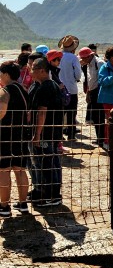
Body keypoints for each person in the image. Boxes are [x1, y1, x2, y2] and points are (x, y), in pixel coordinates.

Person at [28, 58, 64, 207]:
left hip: (45, 134)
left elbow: (41, 113)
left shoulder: (44, 88)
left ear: (42, 70)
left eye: (33, 69)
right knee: (53, 162)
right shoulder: (54, 85)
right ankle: (52, 194)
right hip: (53, 132)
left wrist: (37, 135)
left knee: (44, 164)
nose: (31, 72)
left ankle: (50, 195)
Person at [0, 61, 31, 216]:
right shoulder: (23, 89)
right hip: (22, 135)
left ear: (6, 74)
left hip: (5, 136)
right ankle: (23, 204)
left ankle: (4, 207)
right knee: (20, 170)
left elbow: (1, 112)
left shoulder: (5, 91)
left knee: (4, 171)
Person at [78, 47, 106, 148]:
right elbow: (90, 79)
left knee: (100, 116)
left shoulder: (99, 63)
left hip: (99, 92)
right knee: (95, 116)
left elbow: (101, 80)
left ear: (89, 56)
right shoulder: (89, 64)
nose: (82, 60)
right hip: (93, 91)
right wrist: (88, 93)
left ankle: (102, 139)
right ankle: (99, 138)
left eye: (83, 58)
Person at [58, 35, 82, 140]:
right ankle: (71, 135)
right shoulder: (73, 58)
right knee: (72, 113)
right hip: (71, 89)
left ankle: (59, 135)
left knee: (60, 113)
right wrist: (75, 78)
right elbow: (78, 74)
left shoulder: (58, 56)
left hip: (59, 88)